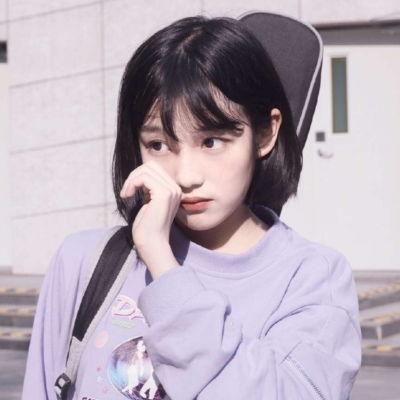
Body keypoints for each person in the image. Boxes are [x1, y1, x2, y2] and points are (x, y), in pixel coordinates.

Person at [22, 13, 362, 400]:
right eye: (159, 145)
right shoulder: (86, 261)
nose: (185, 176)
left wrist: (163, 266)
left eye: (211, 142)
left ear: (265, 133)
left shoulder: (312, 279)